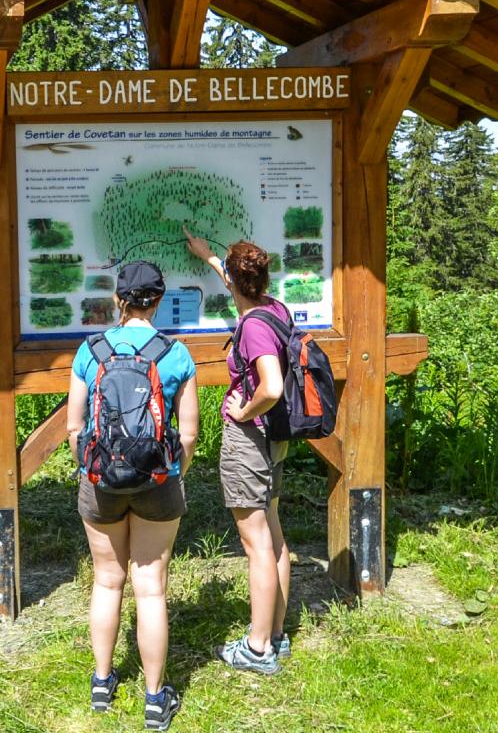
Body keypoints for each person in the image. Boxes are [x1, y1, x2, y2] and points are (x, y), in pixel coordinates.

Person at [67, 260, 199, 730]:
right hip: (158, 484)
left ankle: (102, 683)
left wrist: (91, 470)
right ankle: (154, 697)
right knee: (151, 589)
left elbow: (74, 427)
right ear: (159, 300)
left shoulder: (90, 350)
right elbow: (188, 435)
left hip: (100, 482)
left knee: (106, 581)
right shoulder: (176, 354)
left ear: (119, 300)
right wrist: (170, 473)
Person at [185, 230, 291, 674]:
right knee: (274, 534)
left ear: (235, 280)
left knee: (256, 544)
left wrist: (244, 411)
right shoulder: (273, 308)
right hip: (277, 438)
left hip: (252, 441)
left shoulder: (251, 329)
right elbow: (239, 287)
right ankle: (276, 634)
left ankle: (258, 646)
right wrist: (210, 257)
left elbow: (272, 385)